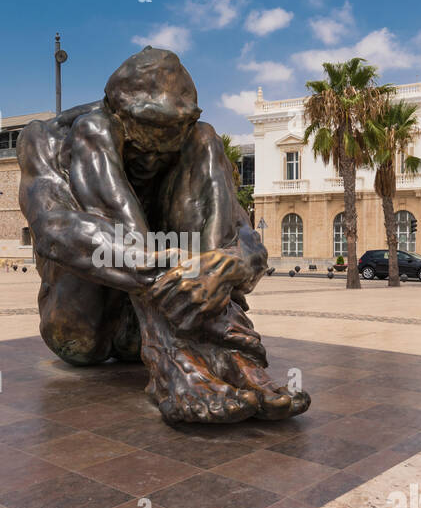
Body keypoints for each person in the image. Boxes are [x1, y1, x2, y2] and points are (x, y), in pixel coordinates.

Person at [18, 47, 309, 423]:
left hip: (185, 314)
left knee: (206, 140)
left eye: (167, 142)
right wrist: (176, 267)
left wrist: (225, 266)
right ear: (116, 111)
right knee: (91, 134)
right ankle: (175, 360)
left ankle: (229, 356)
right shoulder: (48, 139)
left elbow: (248, 242)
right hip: (86, 331)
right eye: (142, 144)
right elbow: (54, 231)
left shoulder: (194, 136)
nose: (153, 158)